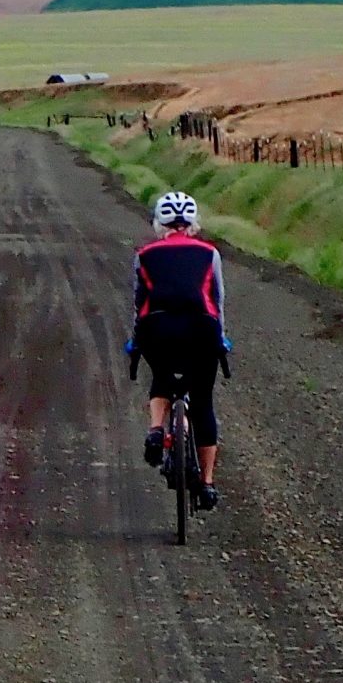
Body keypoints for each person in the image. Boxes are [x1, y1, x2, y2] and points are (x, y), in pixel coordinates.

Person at [129, 190, 229, 511]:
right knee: (202, 401)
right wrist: (221, 338)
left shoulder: (144, 255)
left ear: (160, 222)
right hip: (201, 331)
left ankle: (157, 430)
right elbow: (217, 300)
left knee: (161, 376)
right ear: (193, 222)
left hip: (157, 329)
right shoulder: (210, 254)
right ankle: (208, 484)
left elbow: (139, 303)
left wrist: (136, 340)